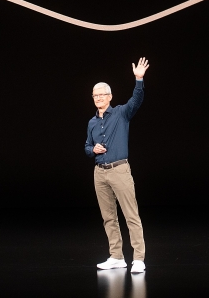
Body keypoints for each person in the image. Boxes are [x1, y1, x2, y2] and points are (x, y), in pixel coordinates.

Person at [85, 57, 149, 273]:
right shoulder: (92, 122)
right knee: (108, 217)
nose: (98, 98)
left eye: (102, 94)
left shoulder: (121, 113)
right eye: (95, 95)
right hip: (99, 173)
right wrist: (92, 150)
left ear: (110, 97)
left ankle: (138, 258)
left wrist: (138, 79)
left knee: (131, 214)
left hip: (119, 169)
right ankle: (117, 256)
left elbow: (136, 100)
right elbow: (86, 146)